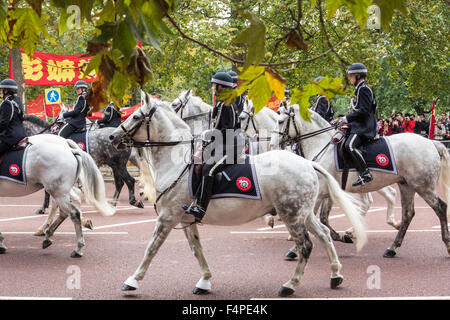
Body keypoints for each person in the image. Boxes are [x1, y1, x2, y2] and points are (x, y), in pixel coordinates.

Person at [184, 72, 238, 222]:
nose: (213, 88)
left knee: (209, 169)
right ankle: (196, 200)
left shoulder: (228, 104)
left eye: (215, 85)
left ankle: (201, 208)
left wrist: (211, 134)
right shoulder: (221, 104)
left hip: (231, 147)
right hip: (221, 145)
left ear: (221, 87)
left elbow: (228, 130)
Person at [338, 63, 377, 187]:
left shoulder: (363, 89)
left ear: (358, 75)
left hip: (365, 127)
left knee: (349, 145)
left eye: (351, 76)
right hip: (359, 125)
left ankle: (365, 173)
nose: (350, 79)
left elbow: (364, 110)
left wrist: (347, 118)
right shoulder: (360, 89)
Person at [0, 79, 27, 157]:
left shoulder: (7, 103)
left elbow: (4, 123)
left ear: (6, 91)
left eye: (2, 90)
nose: (1, 92)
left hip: (10, 136)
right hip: (21, 134)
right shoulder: (17, 101)